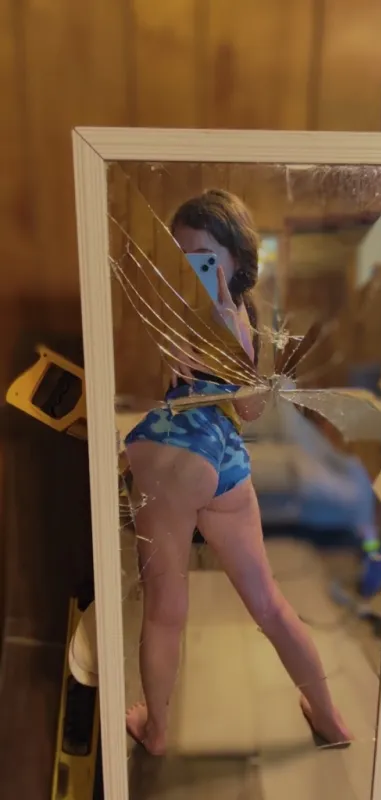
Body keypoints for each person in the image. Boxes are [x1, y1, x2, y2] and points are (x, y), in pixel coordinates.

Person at [124, 188, 353, 755]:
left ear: (234, 256)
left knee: (164, 612)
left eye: (203, 258)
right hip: (222, 459)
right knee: (268, 602)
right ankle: (330, 719)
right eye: (183, 256)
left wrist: (227, 344)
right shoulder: (237, 313)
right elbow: (247, 411)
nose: (192, 269)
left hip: (174, 453)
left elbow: (238, 403)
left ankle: (156, 731)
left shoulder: (225, 315)